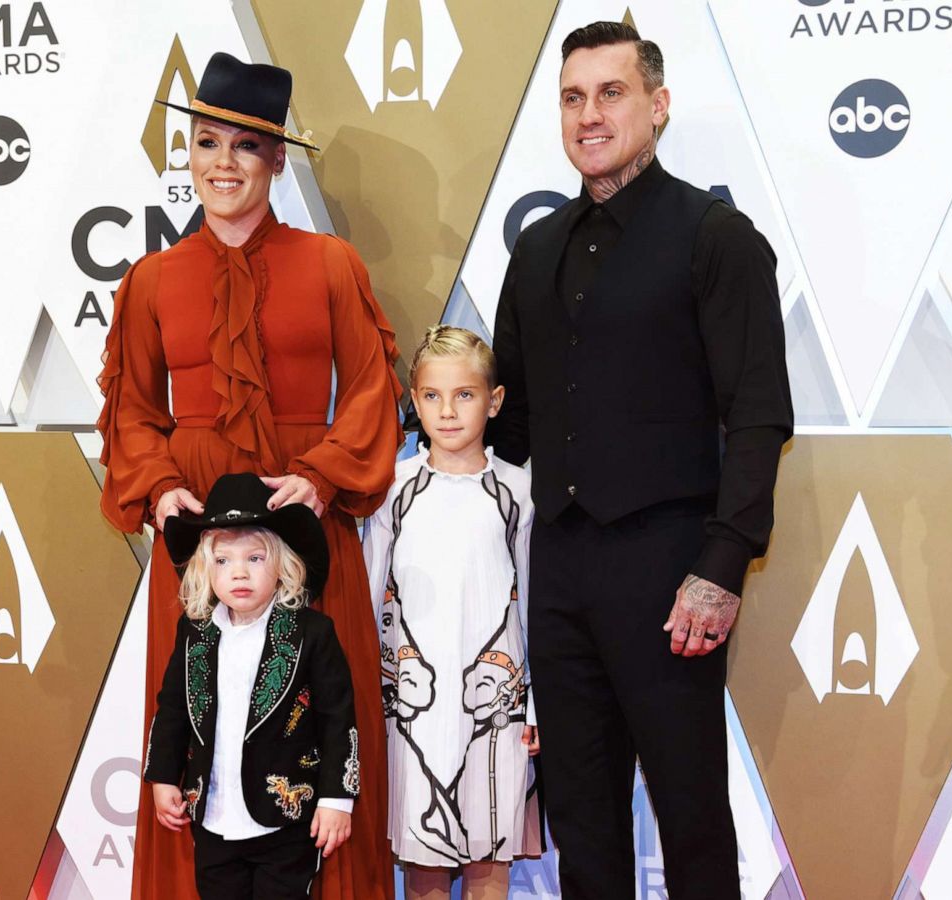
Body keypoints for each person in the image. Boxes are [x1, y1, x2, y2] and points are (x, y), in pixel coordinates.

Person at [488, 21, 793, 899]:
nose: (590, 114)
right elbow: (514, 418)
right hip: (562, 570)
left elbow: (760, 413)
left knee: (691, 815)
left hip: (671, 570)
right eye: (574, 97)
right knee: (583, 823)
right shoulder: (537, 249)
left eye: (611, 93)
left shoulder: (714, 235)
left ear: (657, 107)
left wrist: (723, 565)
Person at [97, 51, 401, 900]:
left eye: (244, 146)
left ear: (276, 161)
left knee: (321, 708)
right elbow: (129, 406)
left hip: (307, 522)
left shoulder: (333, 264)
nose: (221, 163)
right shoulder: (150, 281)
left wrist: (325, 475)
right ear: (186, 154)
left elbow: (374, 387)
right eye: (204, 142)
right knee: (196, 719)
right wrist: (159, 487)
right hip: (198, 542)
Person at [363, 326, 541, 900]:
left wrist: (536, 699)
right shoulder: (393, 487)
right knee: (423, 867)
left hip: (498, 712)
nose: (447, 411)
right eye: (432, 396)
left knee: (491, 862)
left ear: (494, 401)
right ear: (413, 400)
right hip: (413, 712)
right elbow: (369, 594)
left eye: (464, 395)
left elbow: (535, 602)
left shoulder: (519, 492)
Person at [146, 473, 359, 900]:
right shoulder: (195, 631)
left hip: (285, 822)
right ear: (206, 569)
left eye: (255, 559)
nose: (239, 573)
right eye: (223, 561)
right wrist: (163, 776)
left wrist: (337, 799)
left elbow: (338, 720)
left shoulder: (310, 632)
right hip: (213, 820)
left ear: (282, 564)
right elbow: (172, 709)